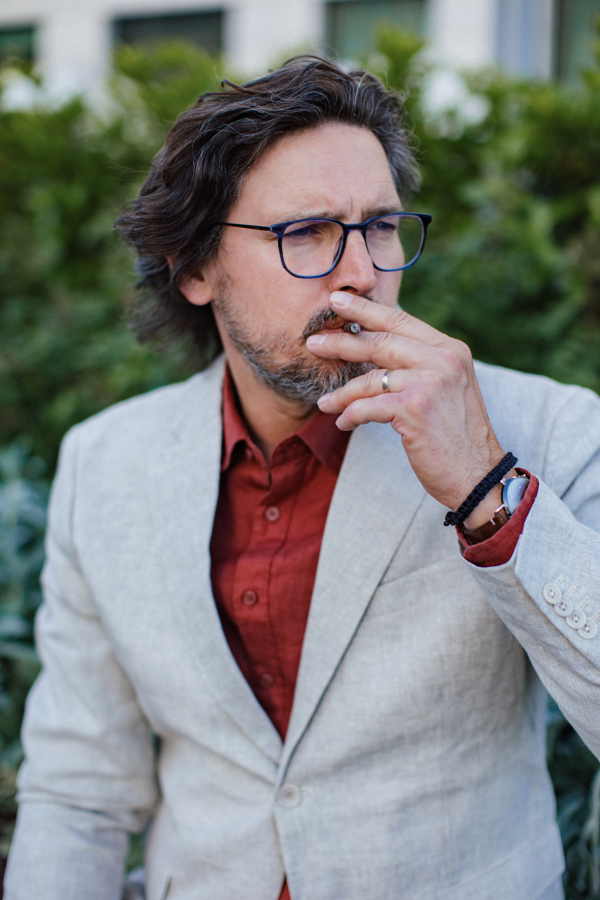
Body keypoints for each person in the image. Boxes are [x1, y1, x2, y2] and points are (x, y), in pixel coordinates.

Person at [4, 56, 600, 900]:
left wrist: (483, 483)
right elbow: (77, 791)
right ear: (196, 267)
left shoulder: (548, 427)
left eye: (382, 226)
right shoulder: (106, 463)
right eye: (307, 232)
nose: (362, 271)